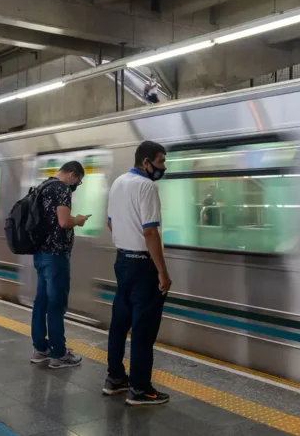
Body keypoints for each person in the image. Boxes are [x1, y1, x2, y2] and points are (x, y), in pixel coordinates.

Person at [103, 140, 171, 406]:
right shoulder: (146, 186)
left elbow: (110, 223)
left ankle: (115, 378)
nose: (163, 167)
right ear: (146, 162)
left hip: (122, 260)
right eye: (161, 161)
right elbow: (150, 232)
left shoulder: (118, 183)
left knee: (120, 323)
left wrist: (125, 241)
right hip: (143, 265)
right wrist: (162, 271)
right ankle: (140, 389)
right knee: (143, 329)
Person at [29, 161, 89, 369]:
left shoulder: (42, 186)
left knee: (41, 302)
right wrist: (78, 220)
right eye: (78, 181)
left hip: (40, 253)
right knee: (56, 304)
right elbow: (64, 222)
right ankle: (59, 354)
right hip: (56, 256)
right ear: (72, 174)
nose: (76, 185)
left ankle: (40, 348)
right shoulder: (62, 189)